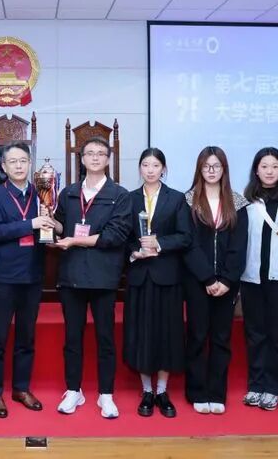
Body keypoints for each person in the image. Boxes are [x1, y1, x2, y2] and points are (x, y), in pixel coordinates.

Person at [52, 136, 132, 419]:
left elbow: (115, 236)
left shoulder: (120, 195)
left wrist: (75, 240)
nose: (95, 158)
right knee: (72, 337)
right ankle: (73, 390)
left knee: (105, 338)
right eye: (90, 153)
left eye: (101, 153)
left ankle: (105, 394)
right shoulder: (68, 193)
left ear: (108, 159)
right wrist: (48, 218)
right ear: (82, 159)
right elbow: (62, 225)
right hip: (71, 275)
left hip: (103, 276)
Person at [0, 142, 54, 418]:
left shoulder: (43, 193)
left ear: (30, 163)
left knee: (26, 338)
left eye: (23, 160)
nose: (19, 165)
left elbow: (50, 228)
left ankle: (21, 389)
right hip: (3, 278)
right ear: (3, 167)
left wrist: (51, 225)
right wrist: (30, 224)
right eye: (13, 161)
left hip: (32, 275)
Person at [124, 148, 191, 418]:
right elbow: (123, 236)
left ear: (163, 168)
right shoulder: (129, 199)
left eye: (155, 165)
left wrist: (159, 243)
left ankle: (162, 390)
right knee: (142, 334)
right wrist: (135, 252)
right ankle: (147, 391)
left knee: (166, 334)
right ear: (139, 168)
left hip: (167, 277)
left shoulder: (176, 198)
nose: (150, 170)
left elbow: (185, 236)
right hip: (140, 275)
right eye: (145, 165)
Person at [183, 146, 248, 415]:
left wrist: (227, 280)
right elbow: (189, 244)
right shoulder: (188, 201)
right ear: (199, 169)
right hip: (197, 281)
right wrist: (208, 278)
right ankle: (197, 391)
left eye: (216, 166)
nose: (211, 171)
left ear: (224, 169)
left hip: (227, 283)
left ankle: (217, 393)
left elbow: (239, 246)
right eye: (206, 166)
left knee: (221, 338)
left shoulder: (238, 202)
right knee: (198, 335)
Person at [241, 147, 278, 412]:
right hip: (252, 276)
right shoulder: (245, 200)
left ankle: (274, 388)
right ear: (256, 170)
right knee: (255, 334)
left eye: (275, 166)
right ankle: (256, 385)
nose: (269, 171)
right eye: (264, 166)